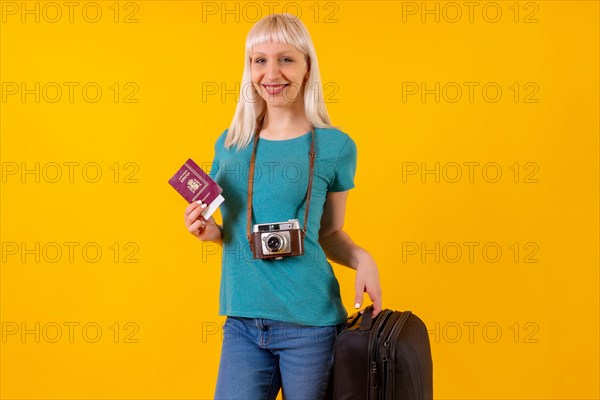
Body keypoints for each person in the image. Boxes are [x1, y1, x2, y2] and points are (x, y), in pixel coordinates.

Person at [183, 13, 382, 400]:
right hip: (242, 320)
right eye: (260, 60)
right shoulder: (230, 143)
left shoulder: (336, 146)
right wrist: (211, 233)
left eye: (286, 59)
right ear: (249, 69)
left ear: (307, 66)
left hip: (310, 325)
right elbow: (233, 228)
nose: (271, 73)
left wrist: (363, 259)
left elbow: (329, 234)